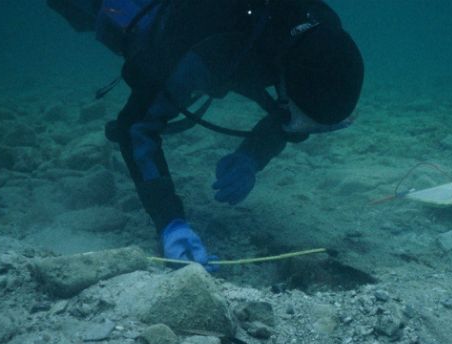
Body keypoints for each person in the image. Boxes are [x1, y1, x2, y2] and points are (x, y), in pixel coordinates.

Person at [47, 0, 364, 270]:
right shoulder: (210, 49)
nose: (298, 133)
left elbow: (288, 117)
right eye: (299, 119)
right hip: (155, 21)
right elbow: (138, 127)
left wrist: (251, 157)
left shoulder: (321, 33)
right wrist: (169, 221)